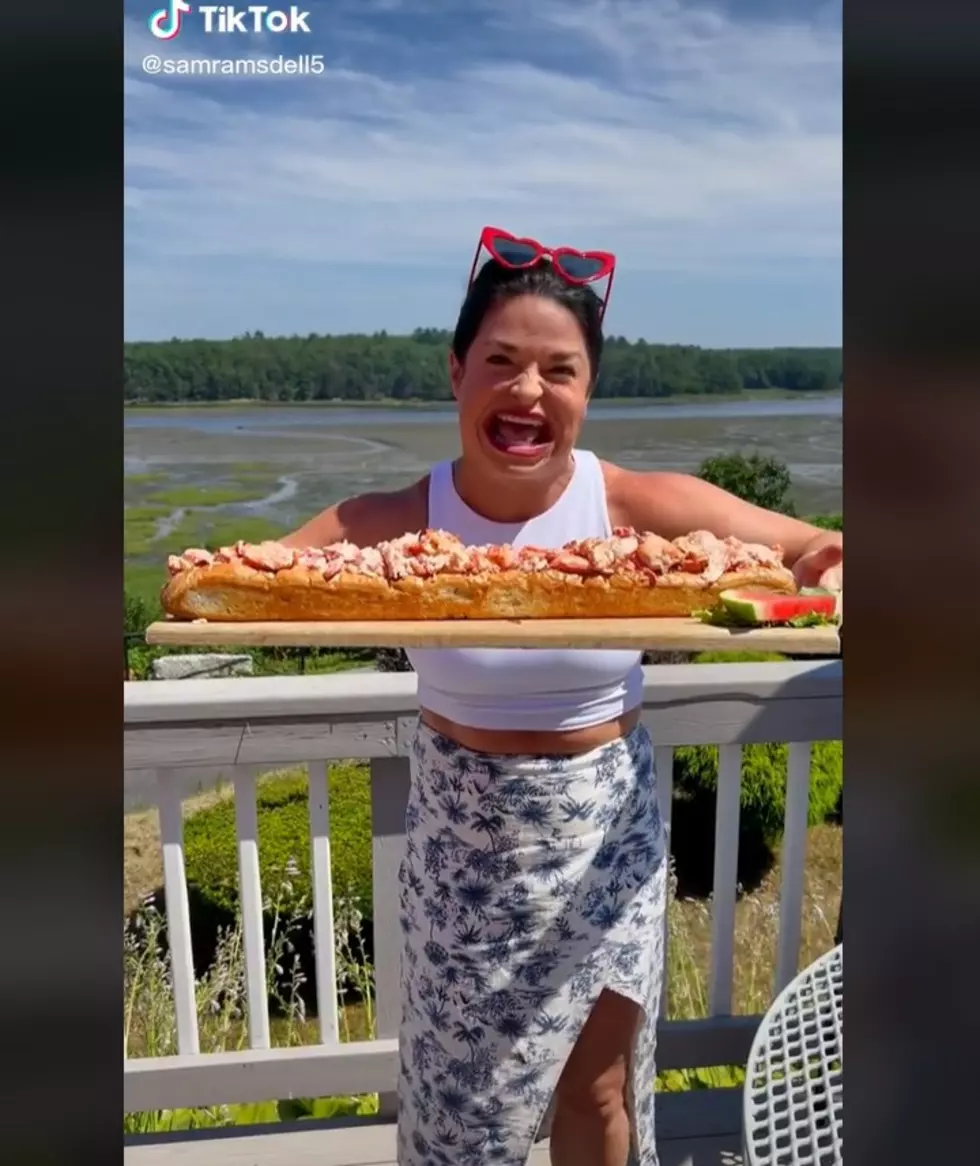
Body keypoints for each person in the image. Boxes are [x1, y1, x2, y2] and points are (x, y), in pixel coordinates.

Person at [281, 227, 843, 1166]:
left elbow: (815, 549)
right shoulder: (392, 522)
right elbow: (219, 581)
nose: (528, 393)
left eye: (559, 370)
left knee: (599, 1088)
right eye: (500, 362)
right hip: (465, 848)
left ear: (588, 389)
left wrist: (837, 573)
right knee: (464, 1116)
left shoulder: (632, 504)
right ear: (456, 371)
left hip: (604, 837)